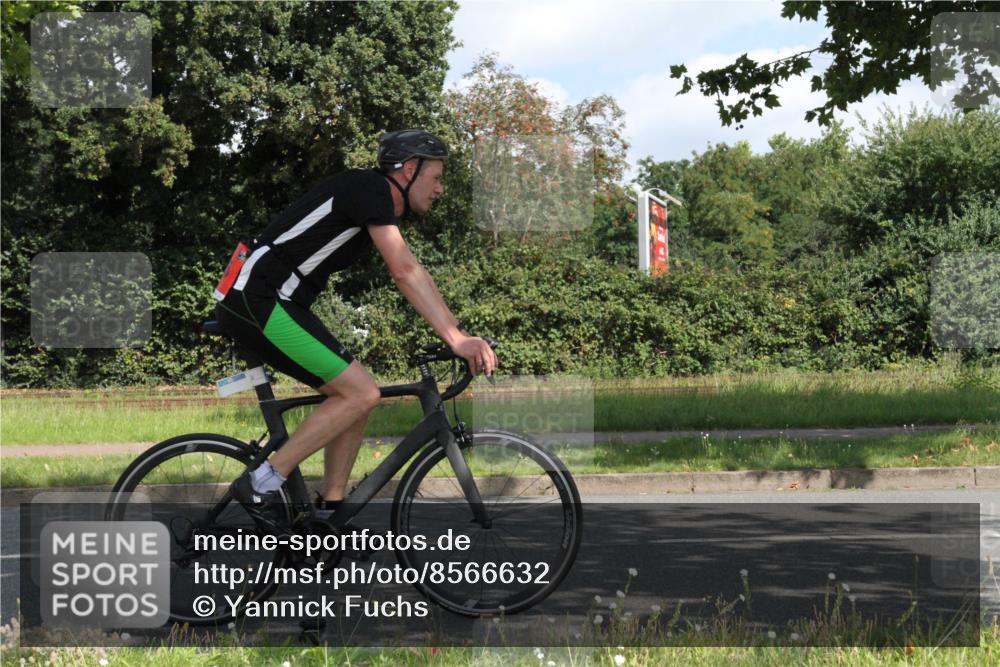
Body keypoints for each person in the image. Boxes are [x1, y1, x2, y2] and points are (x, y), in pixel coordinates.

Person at [214, 129, 497, 532]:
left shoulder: (375, 201)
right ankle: (261, 482)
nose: (440, 188)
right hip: (258, 298)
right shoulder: (370, 188)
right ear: (409, 170)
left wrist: (457, 332)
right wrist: (456, 339)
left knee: (359, 394)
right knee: (361, 391)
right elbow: (405, 272)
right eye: (436, 177)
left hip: (276, 300)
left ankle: (328, 513)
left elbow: (416, 272)